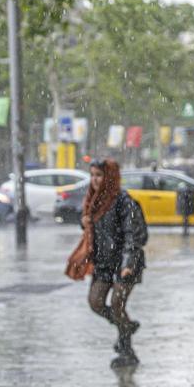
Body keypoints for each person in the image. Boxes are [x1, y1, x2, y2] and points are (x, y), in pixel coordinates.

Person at [82, 158, 148, 369]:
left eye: (99, 175)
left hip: (126, 262)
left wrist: (127, 263)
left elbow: (134, 235)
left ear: (109, 177)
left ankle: (127, 349)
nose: (94, 180)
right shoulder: (93, 201)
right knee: (96, 302)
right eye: (92, 175)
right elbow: (92, 228)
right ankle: (127, 327)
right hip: (104, 262)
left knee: (118, 304)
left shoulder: (123, 201)